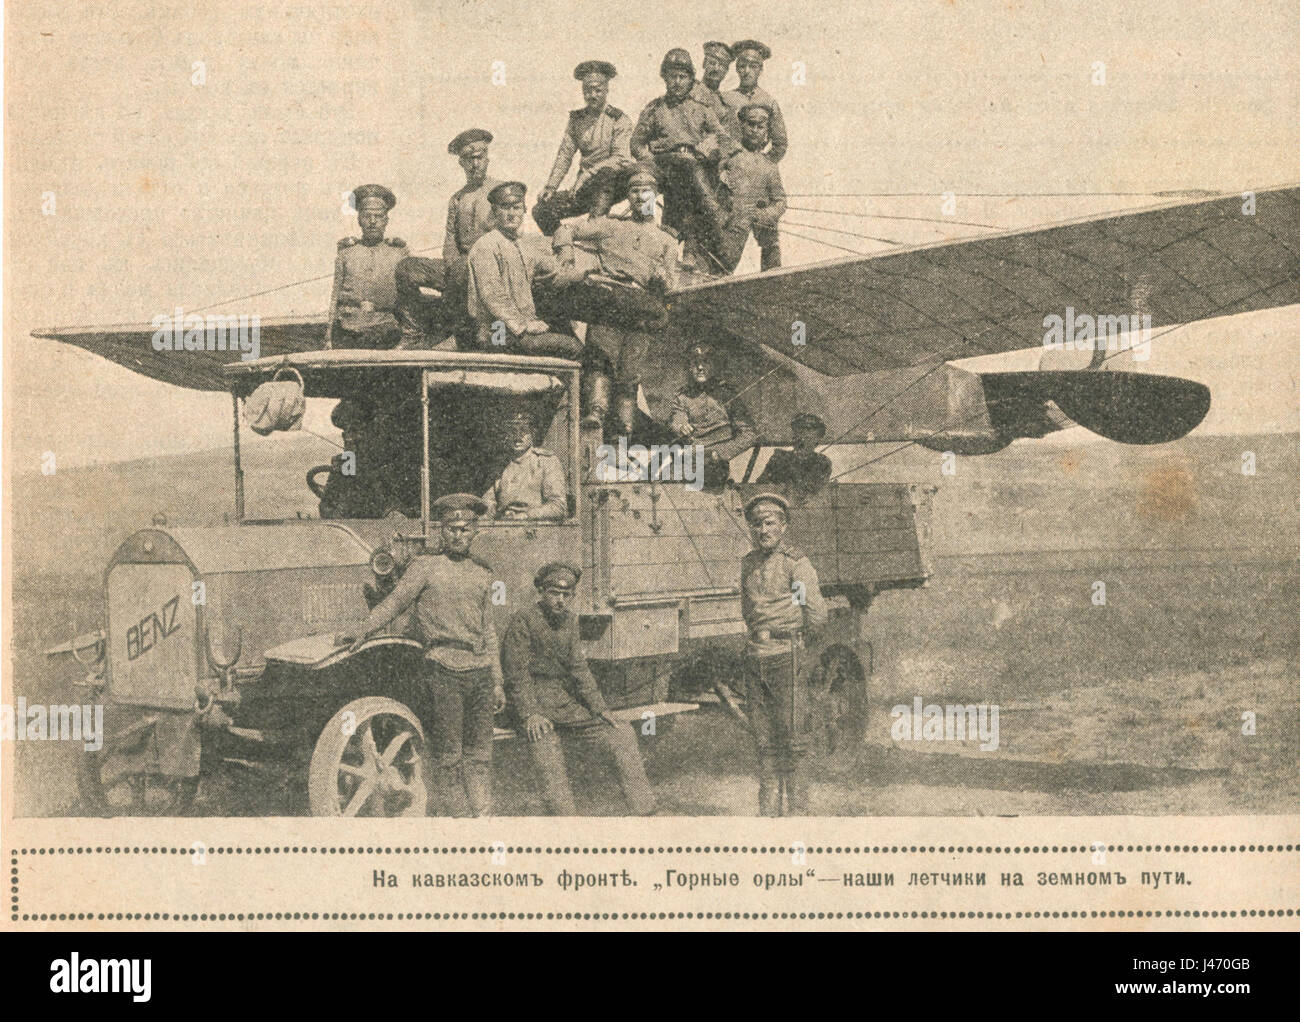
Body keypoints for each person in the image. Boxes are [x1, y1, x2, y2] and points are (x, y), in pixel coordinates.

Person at [346, 493, 504, 817]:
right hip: (443, 671)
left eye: (465, 528)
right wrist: (362, 629)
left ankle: (485, 819)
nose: (458, 534)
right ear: (441, 531)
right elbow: (393, 603)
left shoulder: (483, 573)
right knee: (449, 757)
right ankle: (460, 825)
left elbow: (489, 631)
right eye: (451, 528)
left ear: (475, 531)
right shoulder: (424, 567)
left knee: (480, 756)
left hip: (480, 675)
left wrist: (498, 681)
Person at [501, 562, 656, 815]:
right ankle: (565, 821)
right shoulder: (524, 620)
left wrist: (600, 708)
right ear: (541, 592)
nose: (560, 601)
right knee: (545, 744)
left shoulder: (570, 621)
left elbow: (578, 668)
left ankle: (645, 811)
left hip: (564, 703)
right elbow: (515, 673)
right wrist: (530, 713)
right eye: (554, 593)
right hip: (532, 705)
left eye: (566, 595)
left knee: (621, 732)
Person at [552, 164, 678, 434]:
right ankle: (595, 412)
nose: (640, 197)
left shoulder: (666, 240)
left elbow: (671, 285)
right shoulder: (610, 227)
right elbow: (565, 230)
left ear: (655, 196)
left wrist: (661, 277)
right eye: (634, 191)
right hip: (608, 300)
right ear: (628, 196)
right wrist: (566, 257)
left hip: (641, 305)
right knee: (599, 359)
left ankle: (625, 427)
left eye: (646, 191)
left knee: (630, 374)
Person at [739, 493, 827, 816]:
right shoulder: (748, 564)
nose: (762, 530)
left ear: (783, 526)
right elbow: (748, 609)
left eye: (769, 523)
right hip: (756, 656)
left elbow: (815, 612)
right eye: (756, 524)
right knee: (763, 739)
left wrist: (800, 648)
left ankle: (798, 813)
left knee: (793, 738)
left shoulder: (796, 564)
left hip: (787, 656)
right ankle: (769, 815)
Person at [394, 128, 499, 347]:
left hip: (493, 267)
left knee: (463, 271)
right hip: (459, 268)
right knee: (407, 268)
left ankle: (459, 333)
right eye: (469, 160)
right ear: (461, 163)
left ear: (487, 159)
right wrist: (452, 265)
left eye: (479, 158)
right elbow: (450, 240)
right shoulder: (457, 199)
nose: (475, 164)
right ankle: (414, 331)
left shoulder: (498, 191)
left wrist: (466, 264)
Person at [465, 181, 584, 356]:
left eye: (516, 208)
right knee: (574, 349)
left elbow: (553, 268)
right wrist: (524, 325)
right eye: (505, 208)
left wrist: (584, 271)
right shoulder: (486, 246)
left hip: (517, 330)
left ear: (524, 210)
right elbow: (493, 295)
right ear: (495, 212)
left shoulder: (523, 246)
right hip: (496, 332)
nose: (511, 214)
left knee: (573, 341)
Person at [631, 48, 737, 242]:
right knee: (643, 182)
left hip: (691, 163)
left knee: (689, 183)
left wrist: (713, 153)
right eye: (672, 77)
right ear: (665, 78)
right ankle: (643, 233)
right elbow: (636, 143)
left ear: (690, 80)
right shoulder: (654, 109)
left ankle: (688, 249)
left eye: (682, 76)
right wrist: (649, 161)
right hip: (662, 164)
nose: (677, 82)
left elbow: (724, 139)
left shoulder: (701, 109)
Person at [532, 60, 635, 236]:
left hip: (613, 186)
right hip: (585, 190)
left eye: (598, 90)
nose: (592, 95)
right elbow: (565, 155)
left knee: (606, 174)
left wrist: (588, 174)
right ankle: (562, 243)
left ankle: (592, 234)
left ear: (607, 90)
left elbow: (621, 158)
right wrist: (550, 186)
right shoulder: (576, 120)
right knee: (540, 209)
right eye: (587, 90)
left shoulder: (619, 120)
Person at [327, 184, 408, 348]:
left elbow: (407, 299)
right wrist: (328, 336)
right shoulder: (346, 253)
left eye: (378, 216)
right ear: (359, 220)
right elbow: (334, 297)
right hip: (349, 331)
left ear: (386, 220)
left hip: (386, 330)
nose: (372, 222)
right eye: (367, 216)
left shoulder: (399, 254)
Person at [669, 342, 757, 488]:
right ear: (689, 367)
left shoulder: (728, 395)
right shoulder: (683, 396)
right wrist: (680, 427)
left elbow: (749, 434)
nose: (700, 368)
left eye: (706, 362)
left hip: (715, 469)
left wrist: (721, 453)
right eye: (695, 363)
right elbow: (677, 418)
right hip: (687, 462)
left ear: (714, 365)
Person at [714, 103, 786, 272]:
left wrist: (766, 214)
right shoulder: (729, 156)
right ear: (742, 126)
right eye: (750, 125)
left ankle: (772, 274)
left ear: (766, 132)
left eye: (760, 127)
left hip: (756, 219)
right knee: (723, 262)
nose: (754, 130)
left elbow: (780, 200)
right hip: (730, 220)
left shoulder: (769, 166)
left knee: (771, 238)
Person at [482, 410, 567, 521]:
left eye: (523, 431)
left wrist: (527, 515)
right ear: (507, 435)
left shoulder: (546, 462)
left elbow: (558, 507)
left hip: (534, 530)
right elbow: (488, 500)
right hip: (504, 527)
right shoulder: (502, 465)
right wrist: (490, 508)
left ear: (532, 434)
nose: (518, 437)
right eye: (513, 431)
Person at [722, 40, 788, 163]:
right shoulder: (725, 98)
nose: (747, 71)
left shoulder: (769, 101)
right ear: (737, 69)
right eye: (742, 66)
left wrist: (762, 164)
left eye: (753, 66)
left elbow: (780, 143)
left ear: (760, 70)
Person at [757, 412, 833, 496]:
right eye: (799, 434)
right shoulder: (779, 458)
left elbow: (818, 491)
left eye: (809, 437)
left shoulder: (822, 462)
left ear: (817, 440)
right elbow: (761, 485)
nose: (802, 440)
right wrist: (776, 487)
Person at [690, 41, 737, 133]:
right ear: (704, 63)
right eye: (712, 63)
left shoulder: (725, 106)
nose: (716, 68)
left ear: (726, 71)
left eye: (722, 65)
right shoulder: (689, 91)